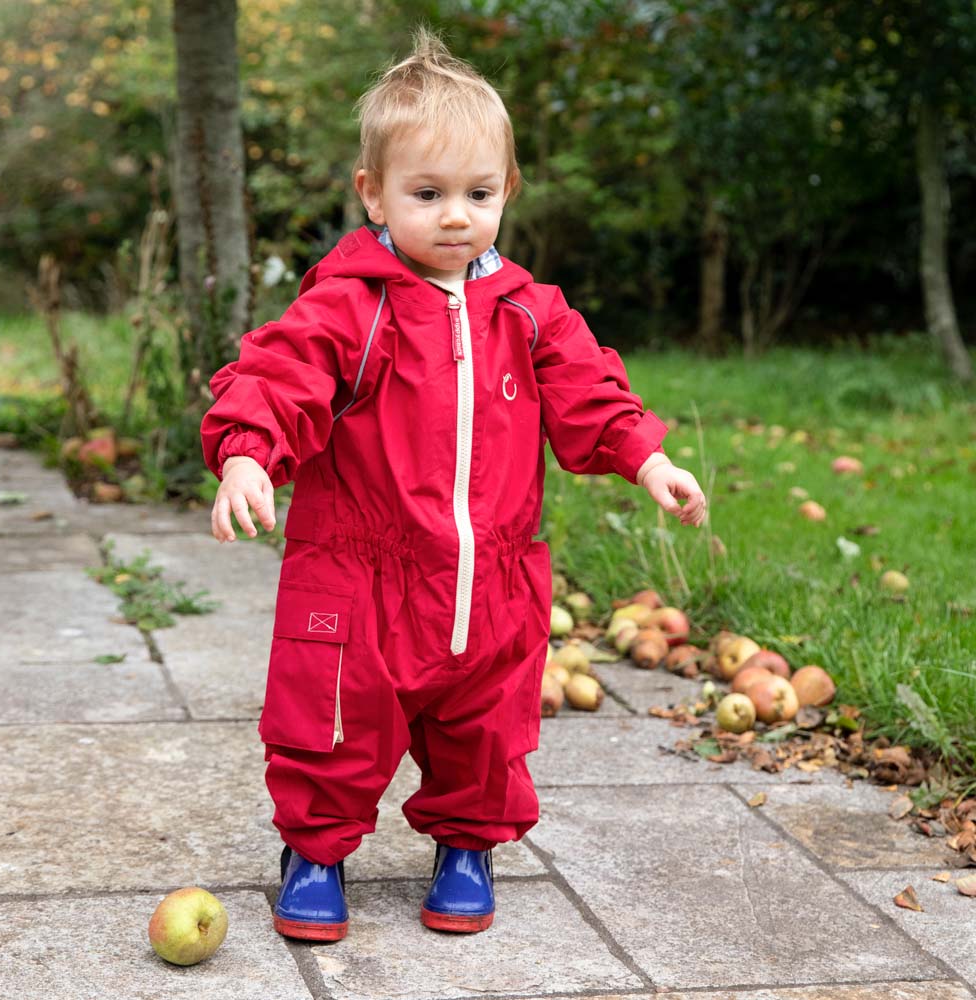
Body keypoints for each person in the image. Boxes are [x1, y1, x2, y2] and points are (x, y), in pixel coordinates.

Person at [200, 29, 706, 942]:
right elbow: (281, 374)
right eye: (426, 195)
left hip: (491, 577)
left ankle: (467, 846)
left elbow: (592, 392)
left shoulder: (529, 312)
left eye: (478, 194)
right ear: (374, 194)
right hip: (358, 573)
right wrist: (247, 452)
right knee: (335, 723)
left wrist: (649, 459)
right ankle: (314, 853)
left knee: (486, 727)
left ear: (507, 190)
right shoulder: (350, 303)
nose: (455, 217)